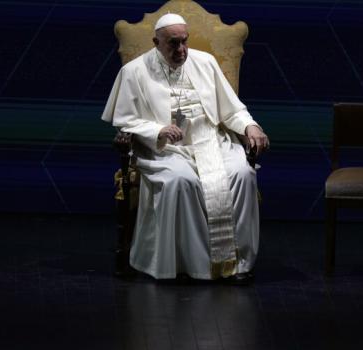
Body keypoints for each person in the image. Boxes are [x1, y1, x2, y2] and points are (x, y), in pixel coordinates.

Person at [101, 13, 269, 283]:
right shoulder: (134, 72)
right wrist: (157, 130)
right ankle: (189, 265)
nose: (181, 50)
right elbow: (125, 120)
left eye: (184, 42)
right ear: (156, 42)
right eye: (173, 44)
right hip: (166, 149)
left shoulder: (205, 62)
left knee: (242, 174)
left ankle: (235, 263)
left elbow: (231, 109)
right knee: (181, 181)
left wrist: (251, 126)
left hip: (212, 141)